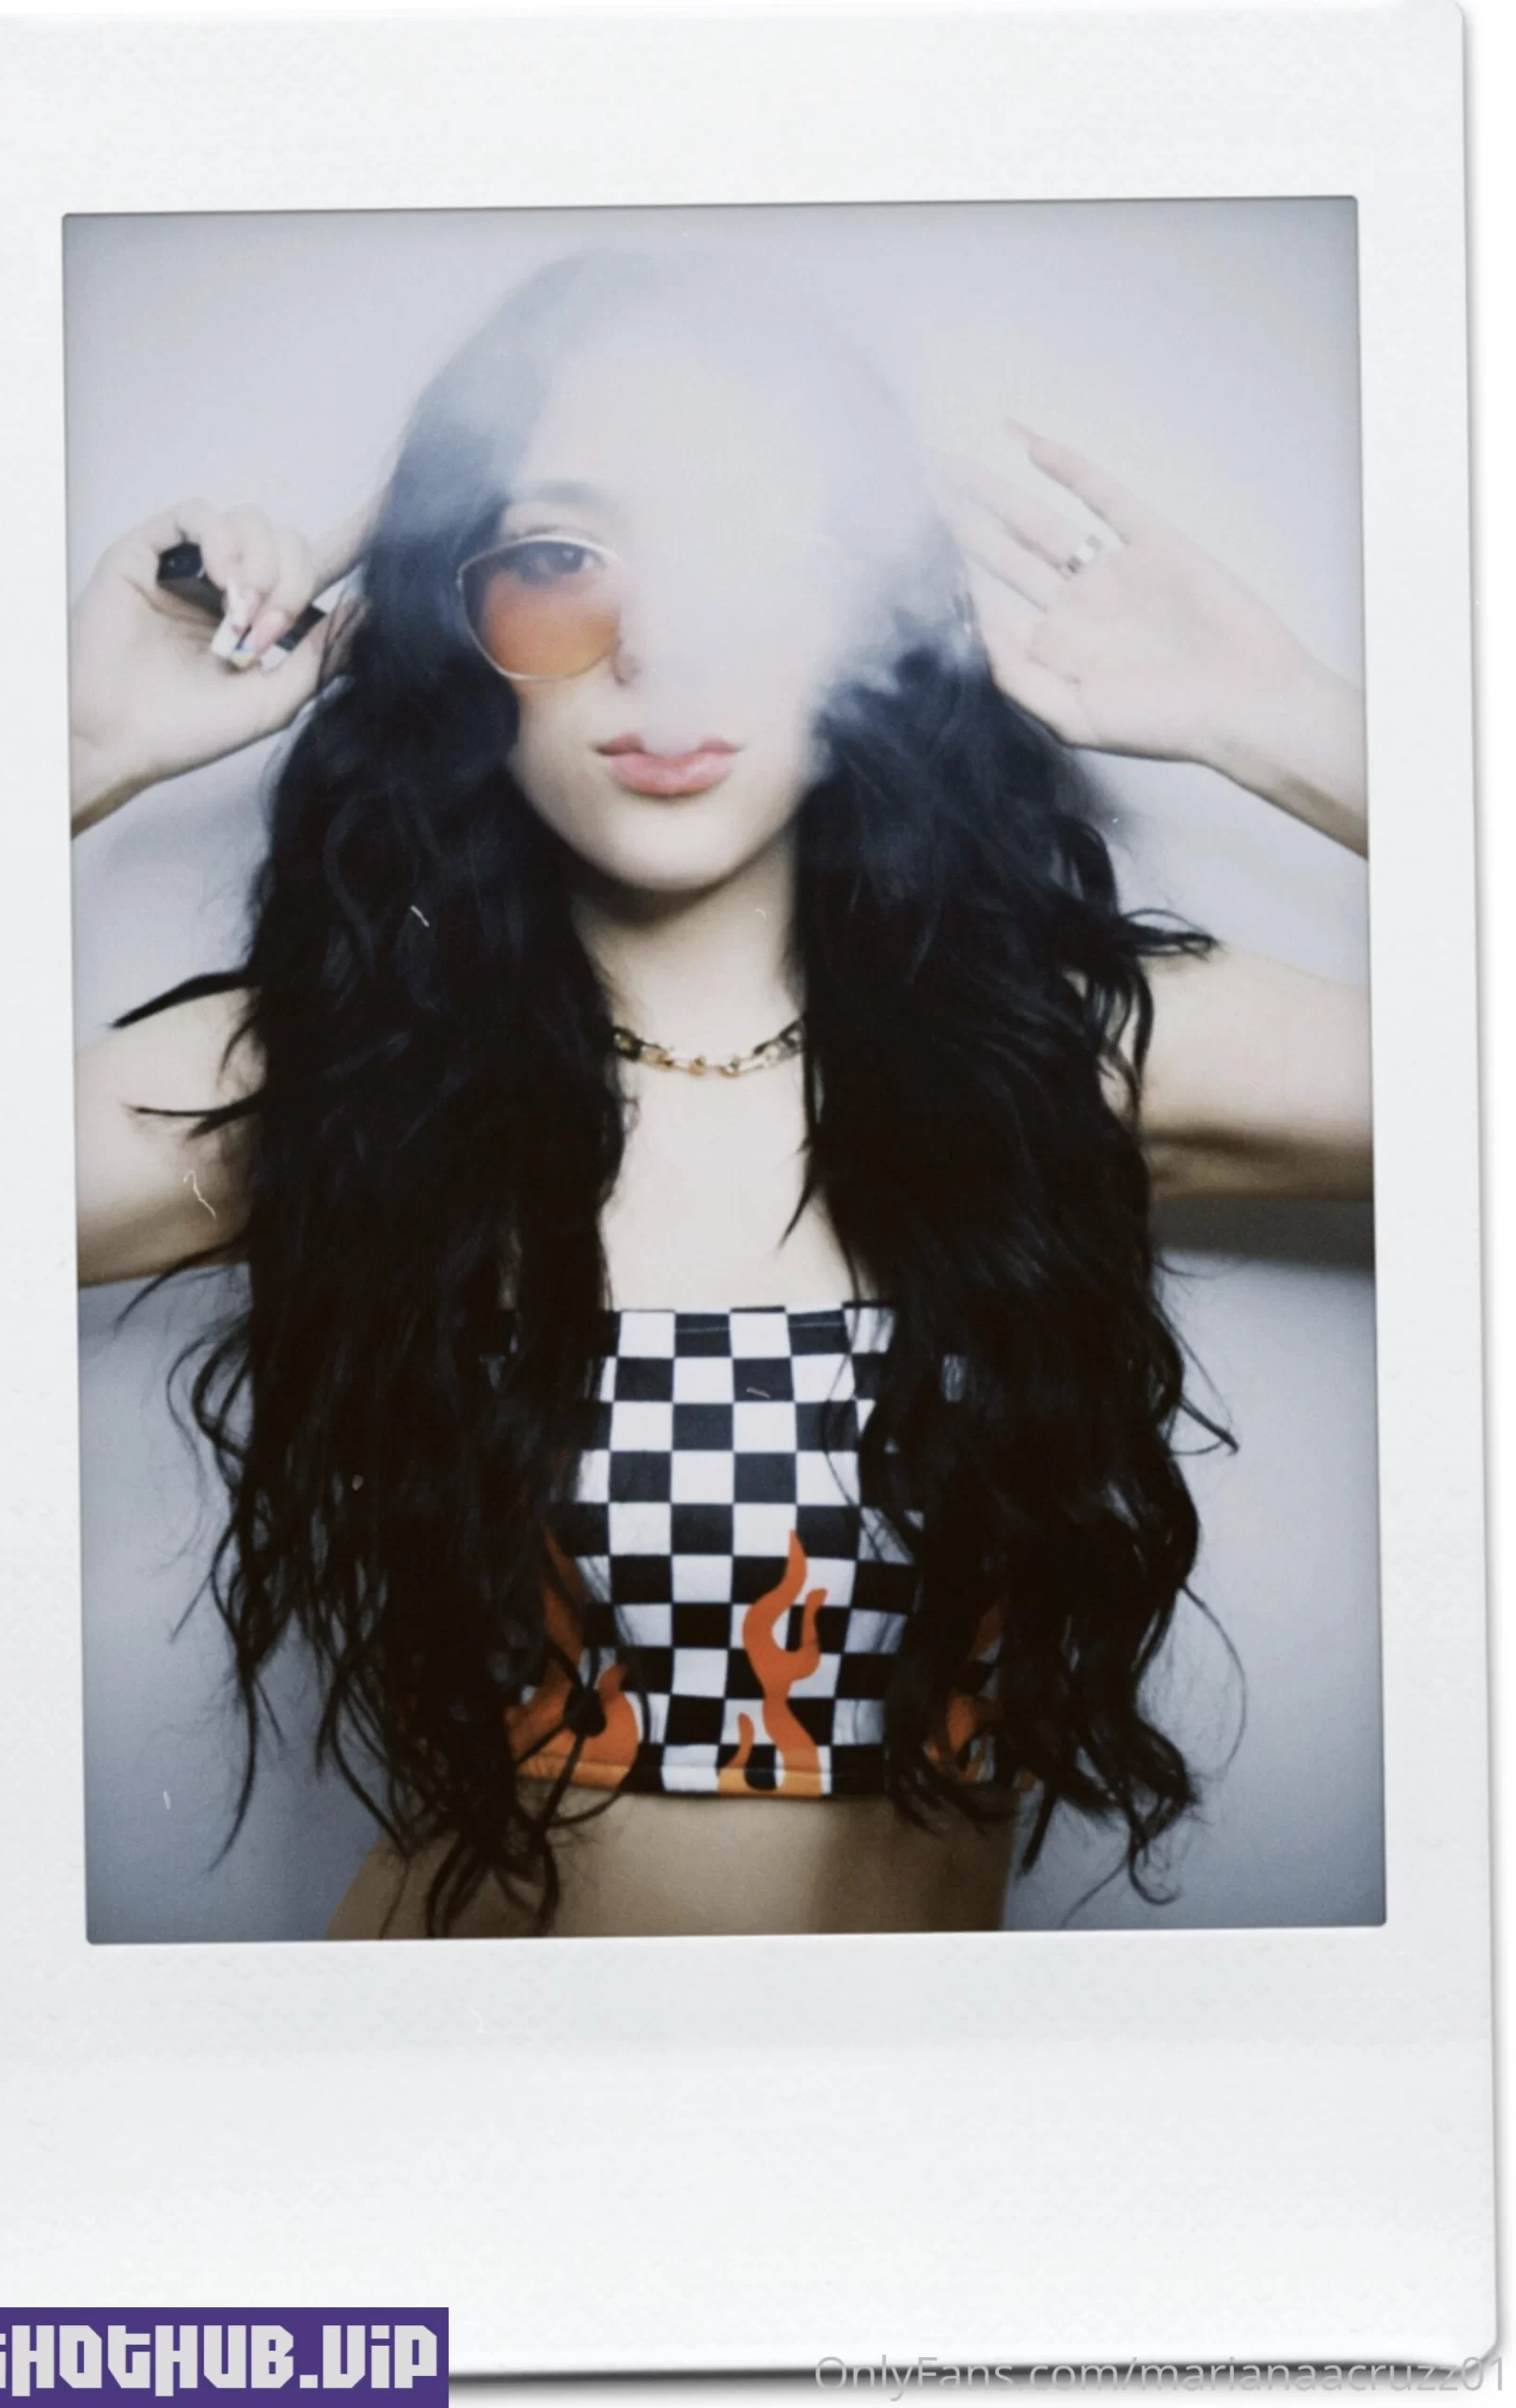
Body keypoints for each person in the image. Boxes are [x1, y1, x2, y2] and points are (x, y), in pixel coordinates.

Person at [70, 249, 1370, 1941]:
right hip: (455, 2086)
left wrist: (1280, 720)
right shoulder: (335, 1074)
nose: (664, 654)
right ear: (453, 626)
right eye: (557, 561)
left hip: (913, 2099)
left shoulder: (1060, 1054)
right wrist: (66, 752)